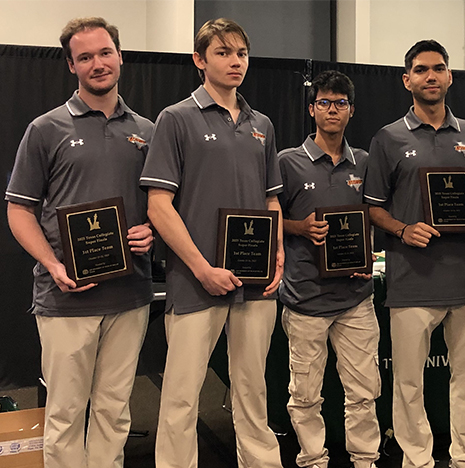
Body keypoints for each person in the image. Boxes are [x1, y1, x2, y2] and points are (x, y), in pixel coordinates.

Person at [5, 17, 154, 468]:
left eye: (104, 52)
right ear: (71, 65)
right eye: (85, 57)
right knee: (66, 415)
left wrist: (152, 230)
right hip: (65, 299)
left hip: (130, 294)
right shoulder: (46, 129)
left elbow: (162, 207)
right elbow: (18, 210)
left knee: (114, 411)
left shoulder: (148, 131)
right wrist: (52, 265)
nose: (98, 63)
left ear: (120, 55)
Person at [139, 18, 284, 468]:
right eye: (223, 53)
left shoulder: (262, 124)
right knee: (182, 396)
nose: (235, 61)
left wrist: (276, 250)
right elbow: (159, 207)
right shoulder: (176, 118)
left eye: (241, 53)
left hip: (255, 283)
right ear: (200, 60)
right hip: (195, 281)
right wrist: (202, 269)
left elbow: (270, 199)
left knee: (253, 390)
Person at [364, 39, 465, 468]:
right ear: (407, 80)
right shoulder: (388, 138)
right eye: (421, 70)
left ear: (450, 76)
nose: (431, 76)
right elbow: (373, 209)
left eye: (438, 68)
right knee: (408, 384)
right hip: (412, 279)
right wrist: (403, 229)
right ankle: (417, 460)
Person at [278, 70, 380, 468]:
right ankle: (313, 459)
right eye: (324, 102)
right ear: (311, 109)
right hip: (305, 299)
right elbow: (266, 219)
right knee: (305, 394)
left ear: (351, 111)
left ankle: (365, 459)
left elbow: (375, 218)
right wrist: (299, 227)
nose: (332, 110)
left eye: (340, 103)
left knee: (364, 390)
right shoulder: (288, 162)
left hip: (356, 299)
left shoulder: (367, 163)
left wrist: (368, 254)